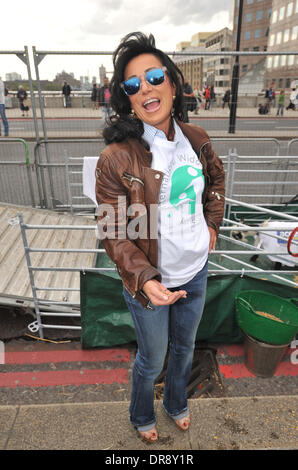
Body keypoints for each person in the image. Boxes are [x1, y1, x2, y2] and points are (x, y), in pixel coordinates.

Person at [95, 32, 225, 444]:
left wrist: (212, 227)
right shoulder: (116, 158)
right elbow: (113, 230)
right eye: (132, 84)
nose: (145, 88)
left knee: (185, 350)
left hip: (196, 271)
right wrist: (146, 279)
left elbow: (216, 183)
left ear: (171, 81)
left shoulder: (198, 139)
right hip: (149, 282)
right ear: (127, 99)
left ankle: (175, 404)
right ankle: (140, 413)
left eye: (153, 76)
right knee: (151, 359)